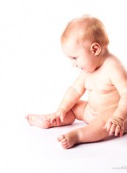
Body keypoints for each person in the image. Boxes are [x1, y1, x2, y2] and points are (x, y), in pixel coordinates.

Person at [26, 15, 127, 149]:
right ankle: (53, 119)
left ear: (95, 49)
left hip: (114, 118)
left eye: (75, 58)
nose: (73, 64)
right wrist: (62, 109)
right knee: (74, 106)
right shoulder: (89, 69)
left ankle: (78, 135)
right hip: (91, 112)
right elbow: (75, 90)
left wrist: (118, 117)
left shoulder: (113, 67)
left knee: (104, 121)